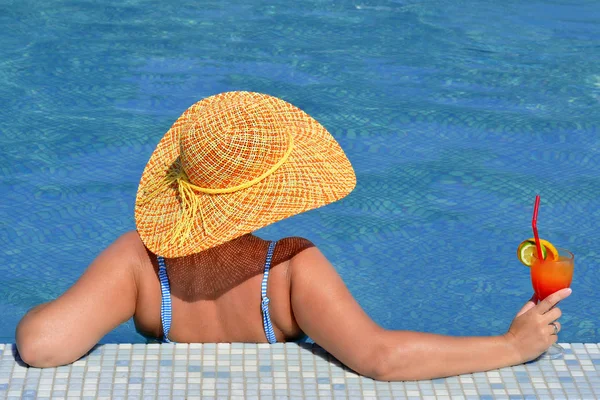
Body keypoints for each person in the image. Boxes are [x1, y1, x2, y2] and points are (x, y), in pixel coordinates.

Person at [15, 91, 571, 380]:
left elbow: (40, 345)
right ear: (277, 189)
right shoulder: (289, 269)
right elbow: (380, 358)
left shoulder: (140, 262)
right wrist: (510, 346)